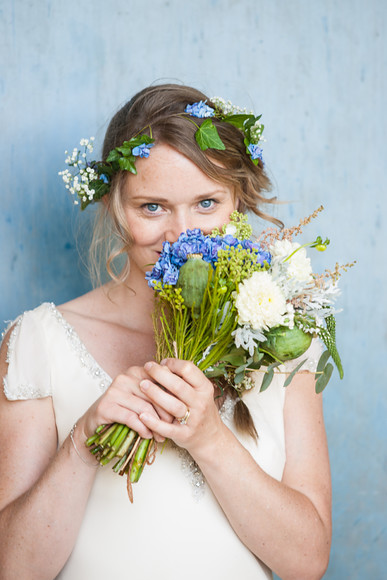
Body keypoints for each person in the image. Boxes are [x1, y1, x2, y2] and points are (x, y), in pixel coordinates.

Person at [0, 84, 331, 580]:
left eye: (206, 203)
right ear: (115, 205)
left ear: (237, 201)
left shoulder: (282, 339)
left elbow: (307, 563)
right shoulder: (38, 341)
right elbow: (16, 568)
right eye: (152, 207)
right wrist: (84, 437)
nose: (183, 235)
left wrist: (210, 438)